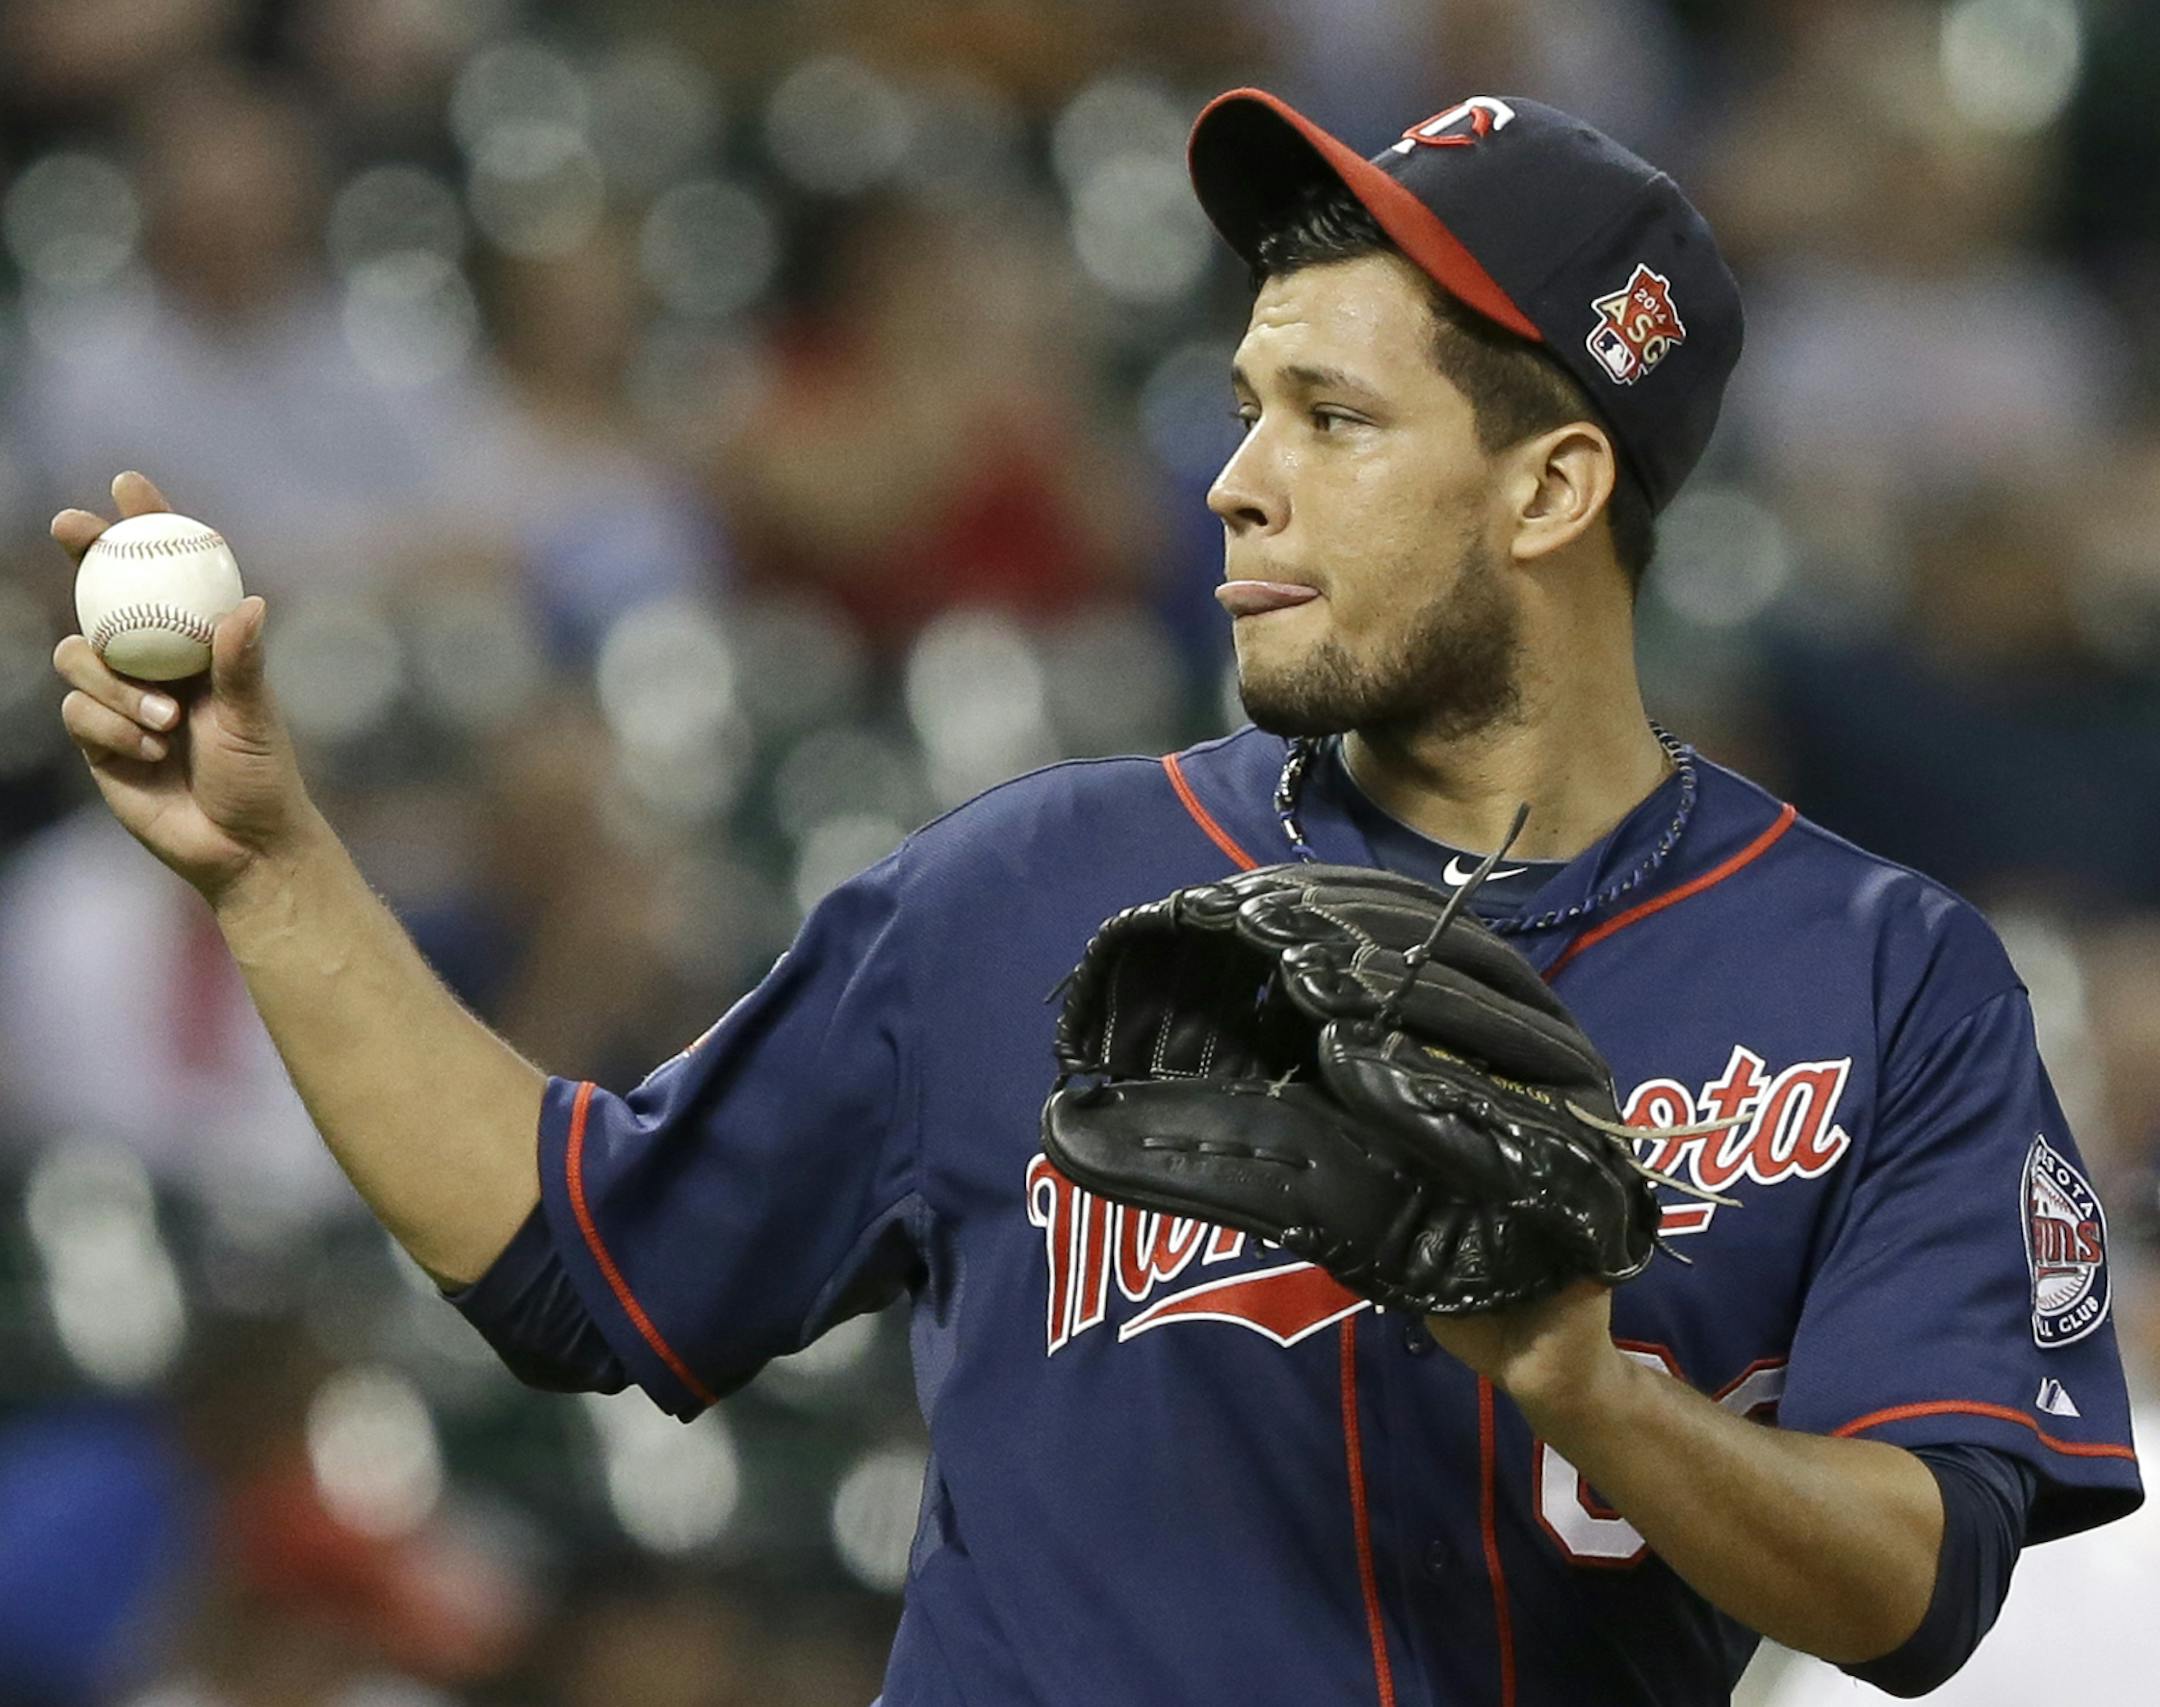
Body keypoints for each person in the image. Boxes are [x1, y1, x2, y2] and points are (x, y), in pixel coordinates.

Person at [48, 89, 2141, 1706]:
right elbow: (588, 1255)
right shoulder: (1031, 882)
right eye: (1246, 403)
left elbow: (1923, 1581)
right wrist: (271, 865)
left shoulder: (1881, 980)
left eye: (1333, 415)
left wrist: (1583, 1380)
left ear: (1553, 485)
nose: (1235, 479)